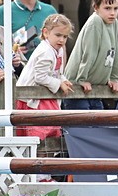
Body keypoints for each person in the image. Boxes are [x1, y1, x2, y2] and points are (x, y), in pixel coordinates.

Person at [13, 13, 74, 149]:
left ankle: (45, 163)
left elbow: (56, 71)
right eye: (58, 35)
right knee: (38, 134)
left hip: (44, 96)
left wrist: (63, 79)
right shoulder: (45, 51)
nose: (62, 40)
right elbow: (40, 77)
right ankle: (36, 164)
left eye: (64, 37)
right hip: (32, 99)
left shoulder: (58, 50)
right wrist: (59, 84)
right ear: (46, 33)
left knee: (50, 131)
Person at [63, 0, 118, 110]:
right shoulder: (95, 22)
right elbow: (89, 53)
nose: (112, 13)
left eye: (115, 8)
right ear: (96, 8)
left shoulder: (115, 24)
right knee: (82, 126)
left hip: (95, 87)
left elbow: (117, 52)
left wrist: (114, 78)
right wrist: (82, 79)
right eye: (107, 8)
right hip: (77, 86)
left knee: (97, 125)